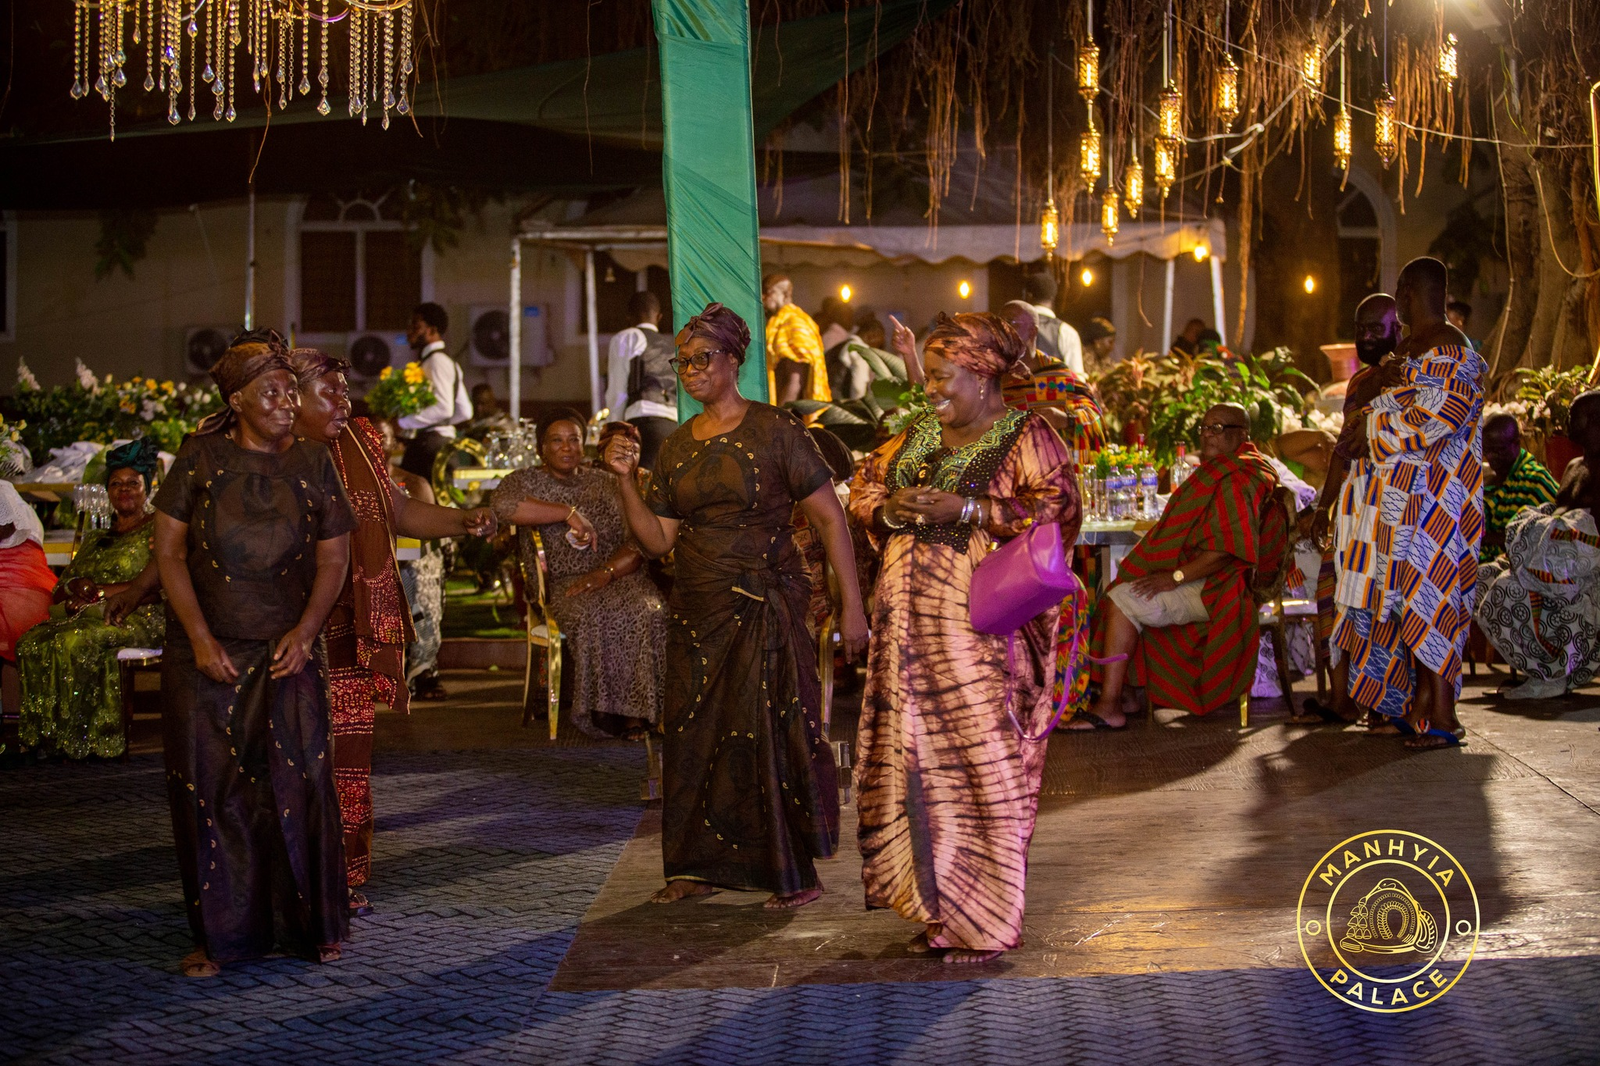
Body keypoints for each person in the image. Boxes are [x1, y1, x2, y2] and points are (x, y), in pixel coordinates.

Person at [604, 301, 868, 909]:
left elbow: (830, 519)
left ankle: (790, 872)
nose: (691, 370)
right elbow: (658, 541)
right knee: (694, 732)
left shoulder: (776, 429)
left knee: (768, 733)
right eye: (683, 361)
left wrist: (853, 606)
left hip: (764, 603)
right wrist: (624, 482)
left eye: (703, 358)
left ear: (734, 360)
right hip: (698, 607)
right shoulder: (675, 447)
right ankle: (695, 866)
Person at [849, 311, 1078, 964]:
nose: (930, 389)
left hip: (977, 646)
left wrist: (973, 509)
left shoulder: (1029, 436)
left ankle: (984, 922)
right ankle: (937, 910)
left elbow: (1061, 510)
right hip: (904, 642)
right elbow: (862, 486)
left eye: (942, 377)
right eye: (929, 376)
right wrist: (887, 508)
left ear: (982, 375)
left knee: (979, 772)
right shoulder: (919, 433)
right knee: (915, 770)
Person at [153, 333, 356, 977]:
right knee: (214, 792)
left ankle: (307, 927)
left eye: (291, 391)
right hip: (207, 654)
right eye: (271, 392)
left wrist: (307, 630)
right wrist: (199, 638)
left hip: (289, 650)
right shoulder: (199, 457)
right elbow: (169, 553)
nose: (286, 402)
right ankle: (222, 938)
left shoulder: (316, 461)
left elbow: (335, 557)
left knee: (302, 784)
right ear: (236, 401)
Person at [288, 348, 496, 912]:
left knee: (348, 759)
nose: (344, 402)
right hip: (285, 630)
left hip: (348, 625)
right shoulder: (269, 455)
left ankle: (342, 877)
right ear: (289, 398)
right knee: (293, 759)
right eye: (329, 392)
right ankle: (286, 883)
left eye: (345, 390)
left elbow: (397, 510)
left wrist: (462, 521)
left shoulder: (357, 442)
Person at [1333, 257, 1485, 750]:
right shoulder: (1409, 349)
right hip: (1398, 504)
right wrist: (1371, 416)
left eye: (1399, 291)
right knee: (1402, 606)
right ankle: (1415, 705)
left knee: (1431, 604)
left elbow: (1442, 414)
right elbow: (1384, 402)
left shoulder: (1452, 346)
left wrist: (1372, 426)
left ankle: (1444, 717)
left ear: (1408, 293)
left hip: (1437, 503)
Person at [1081, 403, 1284, 729]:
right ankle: (1127, 694)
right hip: (1208, 577)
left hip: (1221, 588)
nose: (1207, 435)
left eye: (1218, 428)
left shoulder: (1236, 479)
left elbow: (1227, 550)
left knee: (1121, 599)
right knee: (1123, 586)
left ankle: (1110, 705)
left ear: (1243, 434)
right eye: (1205, 428)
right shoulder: (1231, 469)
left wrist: (1174, 576)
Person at [491, 409, 666, 739]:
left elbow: (637, 538)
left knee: (648, 608)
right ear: (541, 447)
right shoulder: (525, 481)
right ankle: (605, 713)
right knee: (592, 612)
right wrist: (566, 512)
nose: (566, 447)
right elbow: (503, 507)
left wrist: (606, 572)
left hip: (616, 574)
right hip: (561, 583)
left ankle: (640, 713)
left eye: (573, 439)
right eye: (556, 440)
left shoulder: (605, 481)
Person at [17, 439, 165, 759]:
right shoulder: (96, 537)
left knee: (76, 641)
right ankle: (47, 738)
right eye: (116, 484)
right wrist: (77, 587)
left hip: (139, 613)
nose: (124, 490)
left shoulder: (157, 529)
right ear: (107, 491)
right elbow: (61, 587)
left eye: (133, 483)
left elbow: (159, 584)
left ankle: (88, 737)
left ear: (147, 487)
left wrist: (97, 592)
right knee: (30, 642)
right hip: (86, 614)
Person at [1301, 293, 1402, 725]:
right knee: (1331, 594)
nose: (1366, 337)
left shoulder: (1409, 376)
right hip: (1351, 508)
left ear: (1398, 328)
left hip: (1391, 508)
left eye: (1376, 328)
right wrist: (1323, 506)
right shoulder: (1360, 382)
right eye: (1361, 329)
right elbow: (1344, 447)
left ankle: (1384, 704)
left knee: (1380, 606)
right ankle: (1342, 699)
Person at [1475, 391, 1600, 699]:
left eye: (1575, 415)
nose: (1568, 421)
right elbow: (1556, 516)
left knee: (1506, 588)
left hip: (1581, 574)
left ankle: (1552, 675)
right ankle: (1540, 669)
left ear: (1595, 420)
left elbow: (1584, 533)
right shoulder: (1574, 465)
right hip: (1548, 563)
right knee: (1479, 579)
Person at [998, 300, 1107, 453]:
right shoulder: (994, 378)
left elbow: (1095, 418)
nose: (1003, 330)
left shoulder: (1056, 376)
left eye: (1010, 323)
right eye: (999, 325)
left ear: (1032, 331)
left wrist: (1066, 419)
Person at [0, 481, 65, 722]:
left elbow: (6, 526)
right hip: (27, 588)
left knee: (13, 632)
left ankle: (14, 720)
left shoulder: (3, 492)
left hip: (22, 591)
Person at [604, 290, 679, 470]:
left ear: (628, 317)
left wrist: (613, 430)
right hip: (673, 426)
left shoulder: (627, 337)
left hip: (643, 423)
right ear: (659, 317)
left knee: (640, 482)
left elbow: (617, 390)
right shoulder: (671, 347)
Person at [398, 302, 472, 481]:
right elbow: (464, 411)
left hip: (429, 449)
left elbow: (443, 408)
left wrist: (403, 422)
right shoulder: (447, 361)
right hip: (442, 445)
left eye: (416, 326)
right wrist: (442, 425)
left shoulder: (435, 361)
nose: (409, 331)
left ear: (432, 330)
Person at [1480, 413, 1558, 564]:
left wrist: (1486, 538)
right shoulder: (1488, 480)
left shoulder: (1536, 480)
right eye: (1486, 450)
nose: (1491, 456)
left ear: (1517, 443)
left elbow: (1542, 536)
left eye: (1498, 450)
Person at [763, 275, 832, 405]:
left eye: (767, 292)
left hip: (792, 411)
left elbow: (795, 381)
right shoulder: (785, 321)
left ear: (783, 293)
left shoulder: (794, 322)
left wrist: (779, 415)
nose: (763, 298)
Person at [1021, 272, 1083, 375]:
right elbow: (1077, 378)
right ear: (1053, 297)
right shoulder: (1067, 332)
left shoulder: (1013, 328)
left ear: (1028, 295)